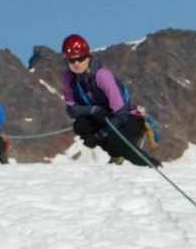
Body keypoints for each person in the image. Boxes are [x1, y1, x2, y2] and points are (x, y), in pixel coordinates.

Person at [59, 34, 158, 166]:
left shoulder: (102, 76)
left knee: (117, 141)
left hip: (127, 117)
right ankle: (115, 153)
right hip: (102, 117)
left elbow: (121, 112)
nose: (77, 63)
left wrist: (100, 135)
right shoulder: (68, 78)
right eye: (72, 60)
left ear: (88, 57)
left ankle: (151, 164)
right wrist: (94, 110)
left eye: (81, 58)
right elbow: (71, 109)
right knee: (80, 125)